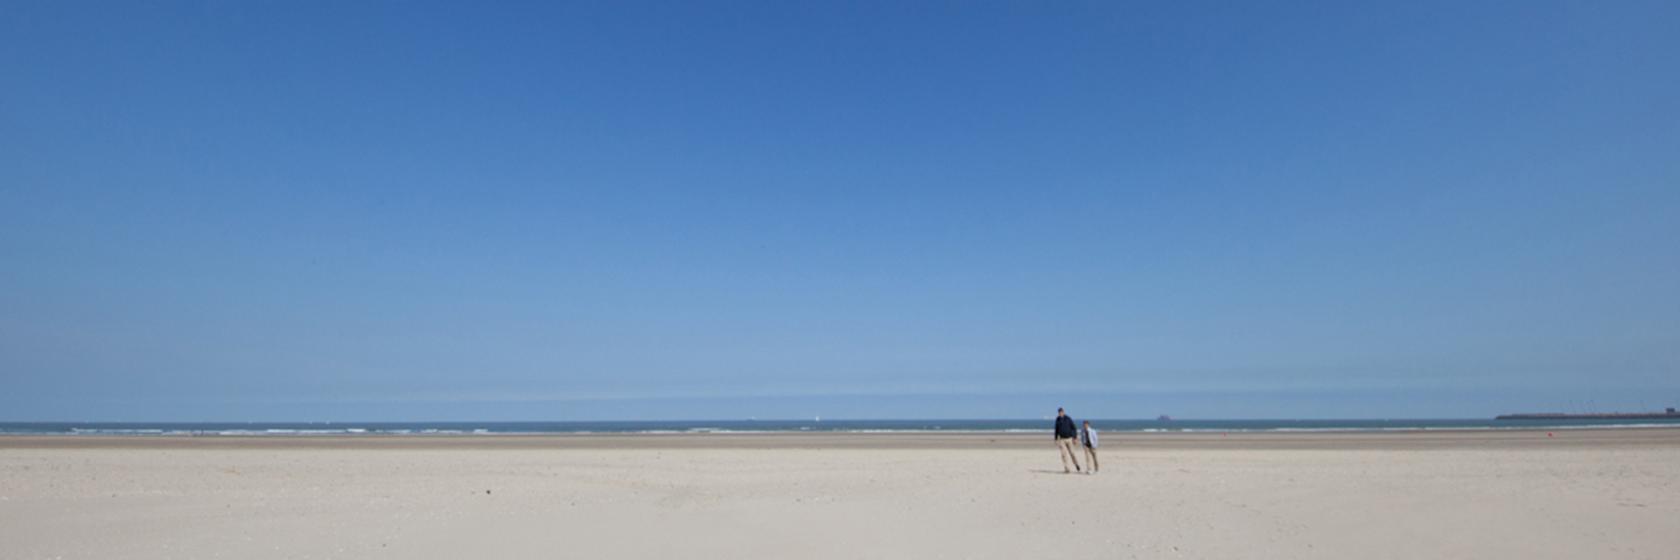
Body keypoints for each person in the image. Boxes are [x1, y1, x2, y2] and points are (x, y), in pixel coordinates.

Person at [1054, 407, 1082, 473]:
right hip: (1061, 440)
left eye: (1061, 412)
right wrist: (1056, 439)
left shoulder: (1068, 419)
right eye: (1059, 412)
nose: (1060, 413)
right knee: (1063, 455)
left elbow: (1074, 428)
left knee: (1072, 453)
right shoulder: (1057, 419)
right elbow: (1056, 430)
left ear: (1063, 412)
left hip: (1069, 439)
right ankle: (1067, 468)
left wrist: (1074, 438)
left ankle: (1076, 464)